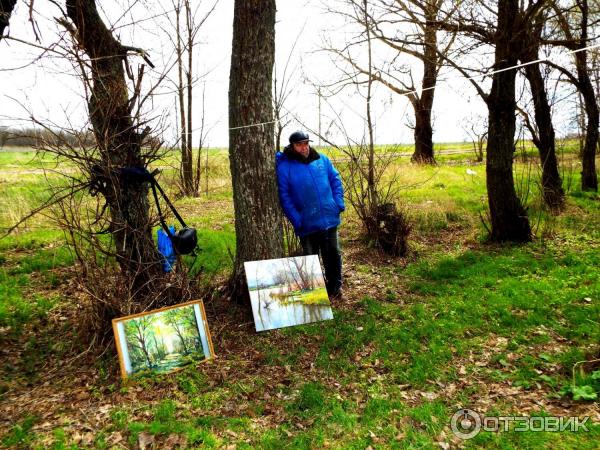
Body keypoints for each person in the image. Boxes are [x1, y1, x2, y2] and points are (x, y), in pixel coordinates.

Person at [276, 130, 345, 299]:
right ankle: (316, 295)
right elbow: (284, 196)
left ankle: (335, 288)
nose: (304, 147)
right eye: (299, 144)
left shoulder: (322, 160)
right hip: (306, 223)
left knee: (333, 255)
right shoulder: (285, 167)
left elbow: (335, 180)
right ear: (292, 146)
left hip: (329, 218)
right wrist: (297, 220)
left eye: (306, 143)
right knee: (310, 259)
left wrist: (338, 203)